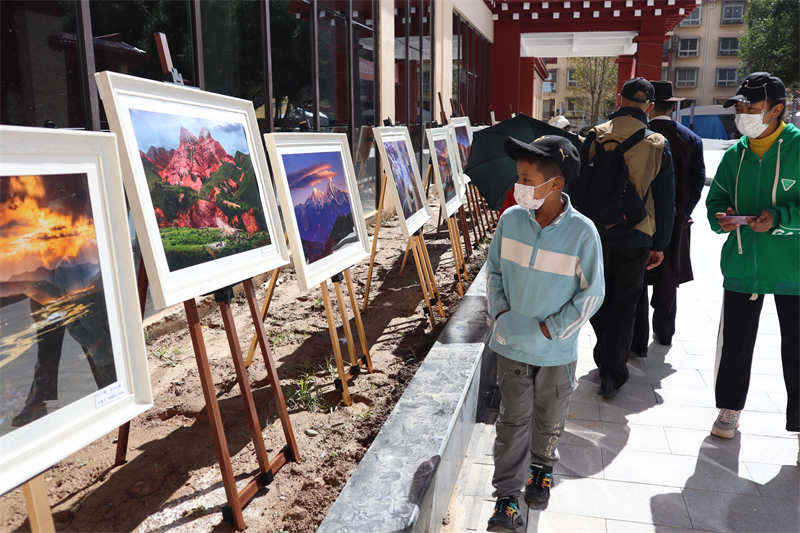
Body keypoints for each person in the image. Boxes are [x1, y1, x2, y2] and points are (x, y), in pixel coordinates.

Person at [485, 135, 604, 531]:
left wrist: (553, 329)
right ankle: (506, 495)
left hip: (556, 351)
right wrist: (501, 313)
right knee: (511, 421)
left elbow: (593, 293)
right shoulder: (510, 221)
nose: (517, 186)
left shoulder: (583, 233)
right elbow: (495, 272)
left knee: (550, 416)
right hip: (513, 345)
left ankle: (542, 467)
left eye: (525, 178)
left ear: (555, 184)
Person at [704, 72, 799, 458]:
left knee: (797, 349)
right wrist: (721, 218)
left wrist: (779, 219)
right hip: (744, 266)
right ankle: (730, 408)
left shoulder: (797, 148)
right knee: (736, 345)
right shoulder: (734, 154)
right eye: (739, 107)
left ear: (778, 110)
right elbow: (715, 203)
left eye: (752, 107)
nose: (743, 113)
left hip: (793, 270)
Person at [574, 77, 675, 398]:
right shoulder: (657, 143)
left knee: (595, 297)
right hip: (636, 235)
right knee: (626, 302)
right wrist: (661, 245)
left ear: (621, 98)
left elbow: (578, 186)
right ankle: (613, 370)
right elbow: (664, 199)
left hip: (593, 232)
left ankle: (605, 352)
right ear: (649, 105)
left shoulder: (592, 135)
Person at [632, 81, 706, 355]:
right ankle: (664, 333)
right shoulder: (691, 139)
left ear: (650, 106)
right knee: (668, 278)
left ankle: (636, 342)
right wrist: (683, 211)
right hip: (676, 221)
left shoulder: (642, 136)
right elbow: (698, 181)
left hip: (640, 221)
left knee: (637, 278)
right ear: (671, 106)